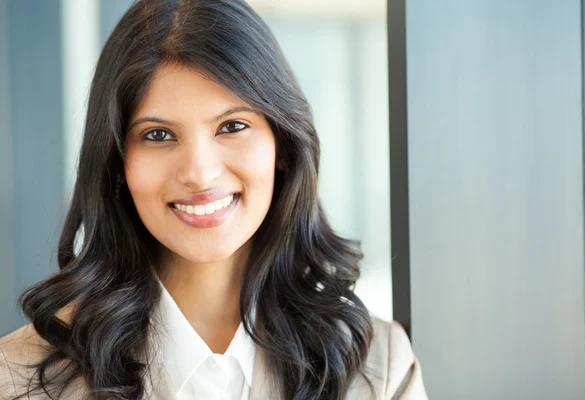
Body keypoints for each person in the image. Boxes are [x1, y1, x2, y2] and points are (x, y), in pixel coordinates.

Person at [0, 0, 428, 398]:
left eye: (232, 126)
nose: (200, 174)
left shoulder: (379, 367)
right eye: (158, 135)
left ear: (282, 143)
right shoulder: (16, 378)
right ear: (116, 162)